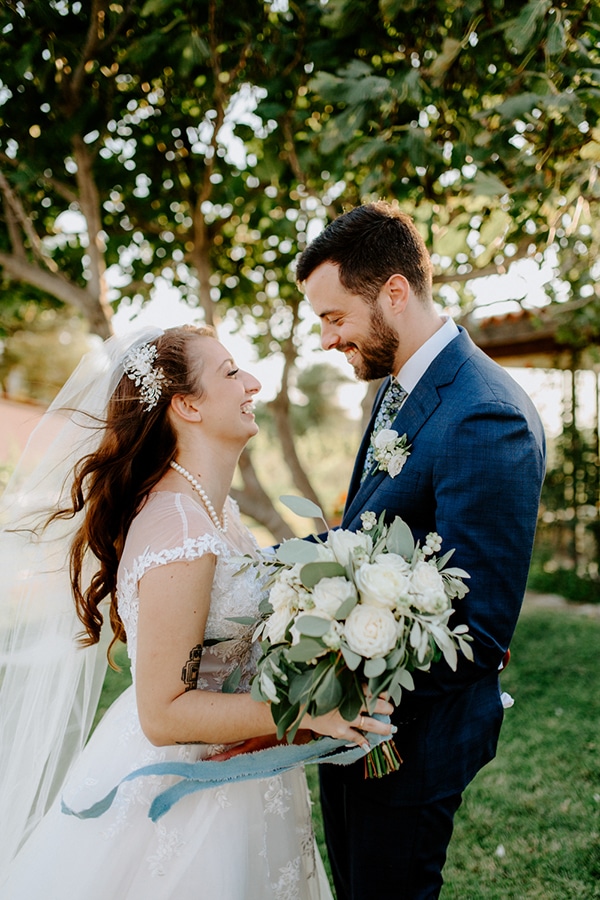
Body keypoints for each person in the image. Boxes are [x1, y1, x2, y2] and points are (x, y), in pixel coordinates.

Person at [0, 324, 393, 899]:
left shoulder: (214, 512)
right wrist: (306, 709)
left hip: (238, 769)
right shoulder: (180, 529)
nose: (253, 382)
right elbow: (163, 714)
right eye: (232, 372)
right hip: (189, 794)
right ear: (186, 405)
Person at [295, 201, 546, 900]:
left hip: (413, 738)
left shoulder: (483, 413)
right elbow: (368, 537)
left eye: (335, 317)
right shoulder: (396, 390)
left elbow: (479, 625)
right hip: (358, 729)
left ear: (395, 294)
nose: (327, 339)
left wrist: (345, 687)